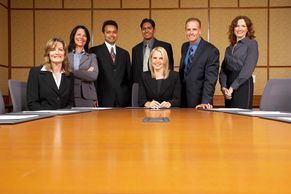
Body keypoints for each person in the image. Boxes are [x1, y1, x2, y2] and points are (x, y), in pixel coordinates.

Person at [179, 17, 219, 109]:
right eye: (188, 29)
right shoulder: (184, 47)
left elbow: (210, 79)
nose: (191, 32)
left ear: (200, 31)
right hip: (183, 99)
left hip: (200, 101)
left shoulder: (211, 50)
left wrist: (205, 101)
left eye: (194, 29)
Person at [219, 16, 258, 109]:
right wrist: (224, 88)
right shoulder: (229, 48)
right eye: (237, 26)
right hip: (229, 86)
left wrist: (233, 87)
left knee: (242, 118)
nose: (239, 29)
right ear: (233, 29)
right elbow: (223, 70)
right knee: (228, 118)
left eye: (243, 26)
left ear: (248, 29)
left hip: (243, 84)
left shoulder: (252, 44)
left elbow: (248, 69)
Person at [89, 20, 131, 107]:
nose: (111, 35)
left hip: (123, 100)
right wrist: (93, 97)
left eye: (114, 32)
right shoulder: (94, 52)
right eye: (108, 32)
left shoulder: (124, 53)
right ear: (103, 33)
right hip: (102, 99)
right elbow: (92, 79)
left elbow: (129, 78)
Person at [27, 37, 74, 110]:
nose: (57, 52)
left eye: (60, 50)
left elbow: (71, 103)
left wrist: (62, 115)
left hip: (64, 118)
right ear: (48, 54)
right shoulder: (35, 73)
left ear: (64, 54)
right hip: (43, 118)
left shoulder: (69, 75)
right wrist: (50, 115)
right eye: (53, 50)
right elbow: (32, 103)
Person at [132, 18, 174, 83]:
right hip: (140, 85)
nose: (146, 31)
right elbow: (134, 72)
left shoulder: (165, 46)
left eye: (149, 28)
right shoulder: (135, 49)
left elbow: (169, 68)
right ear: (141, 30)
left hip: (159, 84)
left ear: (154, 30)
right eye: (144, 28)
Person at [68, 25, 98, 107]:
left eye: (84, 35)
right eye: (78, 34)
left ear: (87, 39)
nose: (81, 37)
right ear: (73, 36)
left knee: (88, 119)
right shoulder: (65, 56)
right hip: (68, 93)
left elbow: (93, 76)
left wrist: (72, 71)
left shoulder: (92, 56)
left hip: (87, 96)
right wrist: (85, 73)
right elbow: (64, 74)